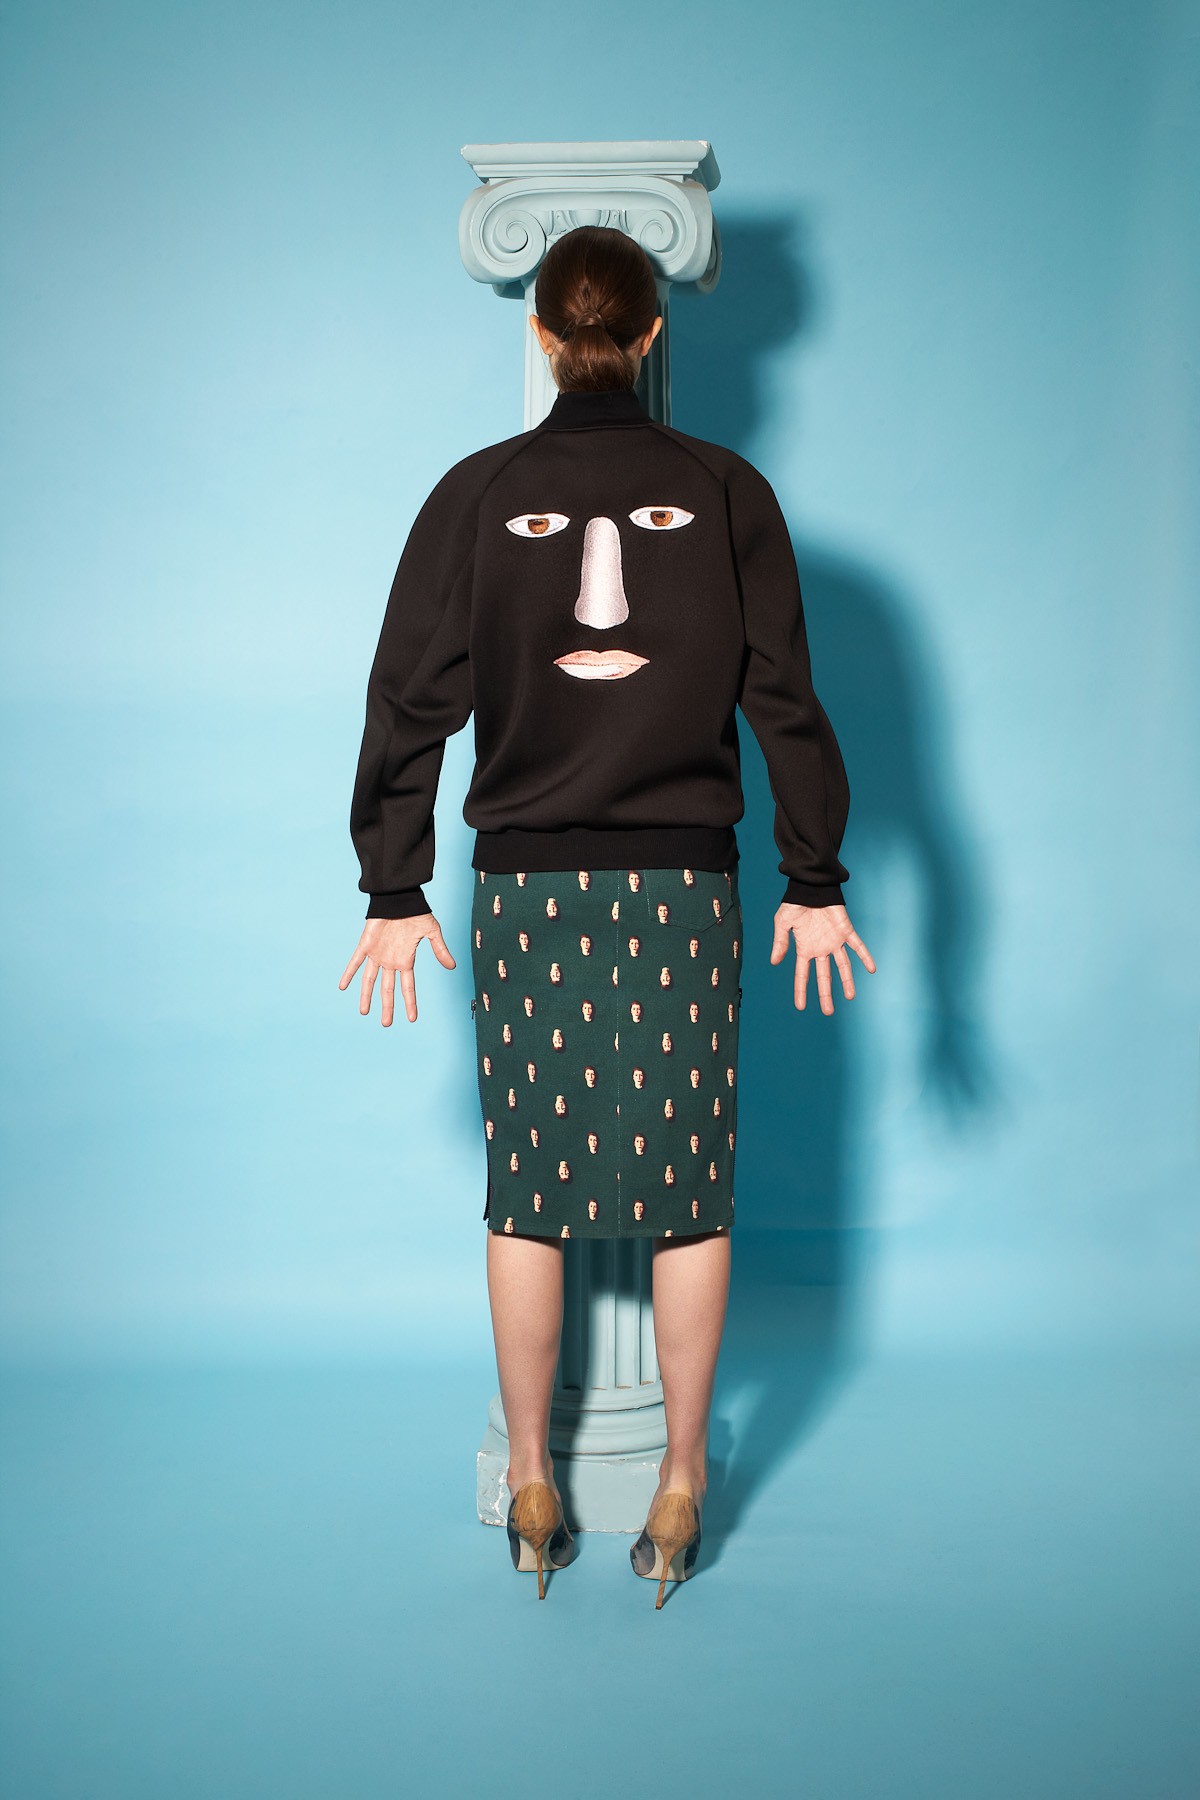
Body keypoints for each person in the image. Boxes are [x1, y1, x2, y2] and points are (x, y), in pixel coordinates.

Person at [338, 225, 876, 1607]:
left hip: (527, 892)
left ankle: (533, 1483)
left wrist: (393, 883)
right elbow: (785, 699)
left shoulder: (476, 494)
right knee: (691, 1197)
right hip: (683, 890)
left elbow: (408, 696)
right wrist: (813, 879)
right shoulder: (726, 489)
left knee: (527, 1196)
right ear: (648, 333)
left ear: (542, 335)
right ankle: (681, 1486)